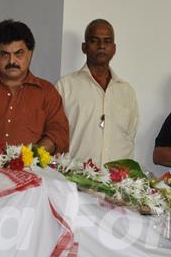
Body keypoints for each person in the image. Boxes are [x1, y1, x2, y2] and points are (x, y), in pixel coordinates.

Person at [0, 19, 69, 153]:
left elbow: (58, 133)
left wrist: (30, 158)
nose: (12, 61)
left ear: (30, 54)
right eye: (5, 54)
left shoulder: (46, 92)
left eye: (19, 53)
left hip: (34, 170)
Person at [56, 19, 138, 166]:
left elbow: (130, 136)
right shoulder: (65, 86)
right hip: (77, 179)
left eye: (107, 41)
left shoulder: (126, 91)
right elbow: (56, 135)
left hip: (118, 183)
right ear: (84, 47)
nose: (101, 46)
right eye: (94, 40)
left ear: (114, 48)